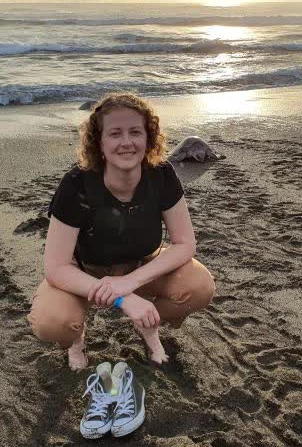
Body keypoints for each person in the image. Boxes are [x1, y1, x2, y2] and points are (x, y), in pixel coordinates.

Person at [27, 92, 216, 370]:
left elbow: (185, 244)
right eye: (115, 133)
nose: (126, 142)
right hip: (84, 272)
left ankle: (148, 325)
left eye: (135, 132)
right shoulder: (77, 184)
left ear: (148, 138)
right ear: (99, 143)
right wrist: (122, 297)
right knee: (53, 323)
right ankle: (77, 339)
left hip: (140, 264)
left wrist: (131, 282)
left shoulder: (161, 175)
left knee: (199, 287)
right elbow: (55, 267)